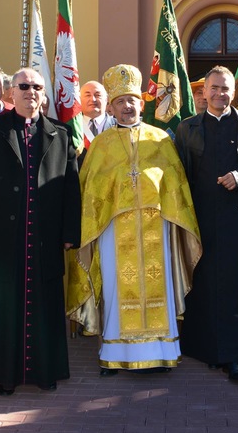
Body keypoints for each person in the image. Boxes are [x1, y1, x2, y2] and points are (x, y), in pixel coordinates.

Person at [68, 64, 201, 375]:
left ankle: (160, 353)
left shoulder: (160, 140)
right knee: (116, 287)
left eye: (131, 101)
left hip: (157, 225)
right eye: (120, 102)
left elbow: (176, 185)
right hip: (113, 229)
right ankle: (114, 352)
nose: (127, 106)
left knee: (159, 285)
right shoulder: (100, 145)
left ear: (141, 104)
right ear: (111, 107)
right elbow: (90, 191)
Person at [0, 68, 80, 394]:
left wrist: (69, 231)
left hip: (44, 237)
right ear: (11, 93)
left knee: (45, 307)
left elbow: (71, 188)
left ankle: (46, 372)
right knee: (3, 306)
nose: (31, 91)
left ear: (43, 94)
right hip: (2, 237)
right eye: (24, 86)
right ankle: (4, 374)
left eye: (37, 87)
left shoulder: (60, 133)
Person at [174, 66, 238, 383]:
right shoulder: (187, 128)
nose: (219, 94)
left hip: (237, 218)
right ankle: (203, 348)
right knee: (202, 284)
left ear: (234, 91)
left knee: (235, 287)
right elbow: (178, 174)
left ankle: (233, 355)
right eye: (214, 88)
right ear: (204, 92)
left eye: (225, 88)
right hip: (199, 220)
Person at [81, 80, 115, 145]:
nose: (93, 99)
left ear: (107, 99)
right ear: (79, 99)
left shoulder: (119, 127)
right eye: (88, 95)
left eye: (97, 95)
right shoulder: (72, 128)